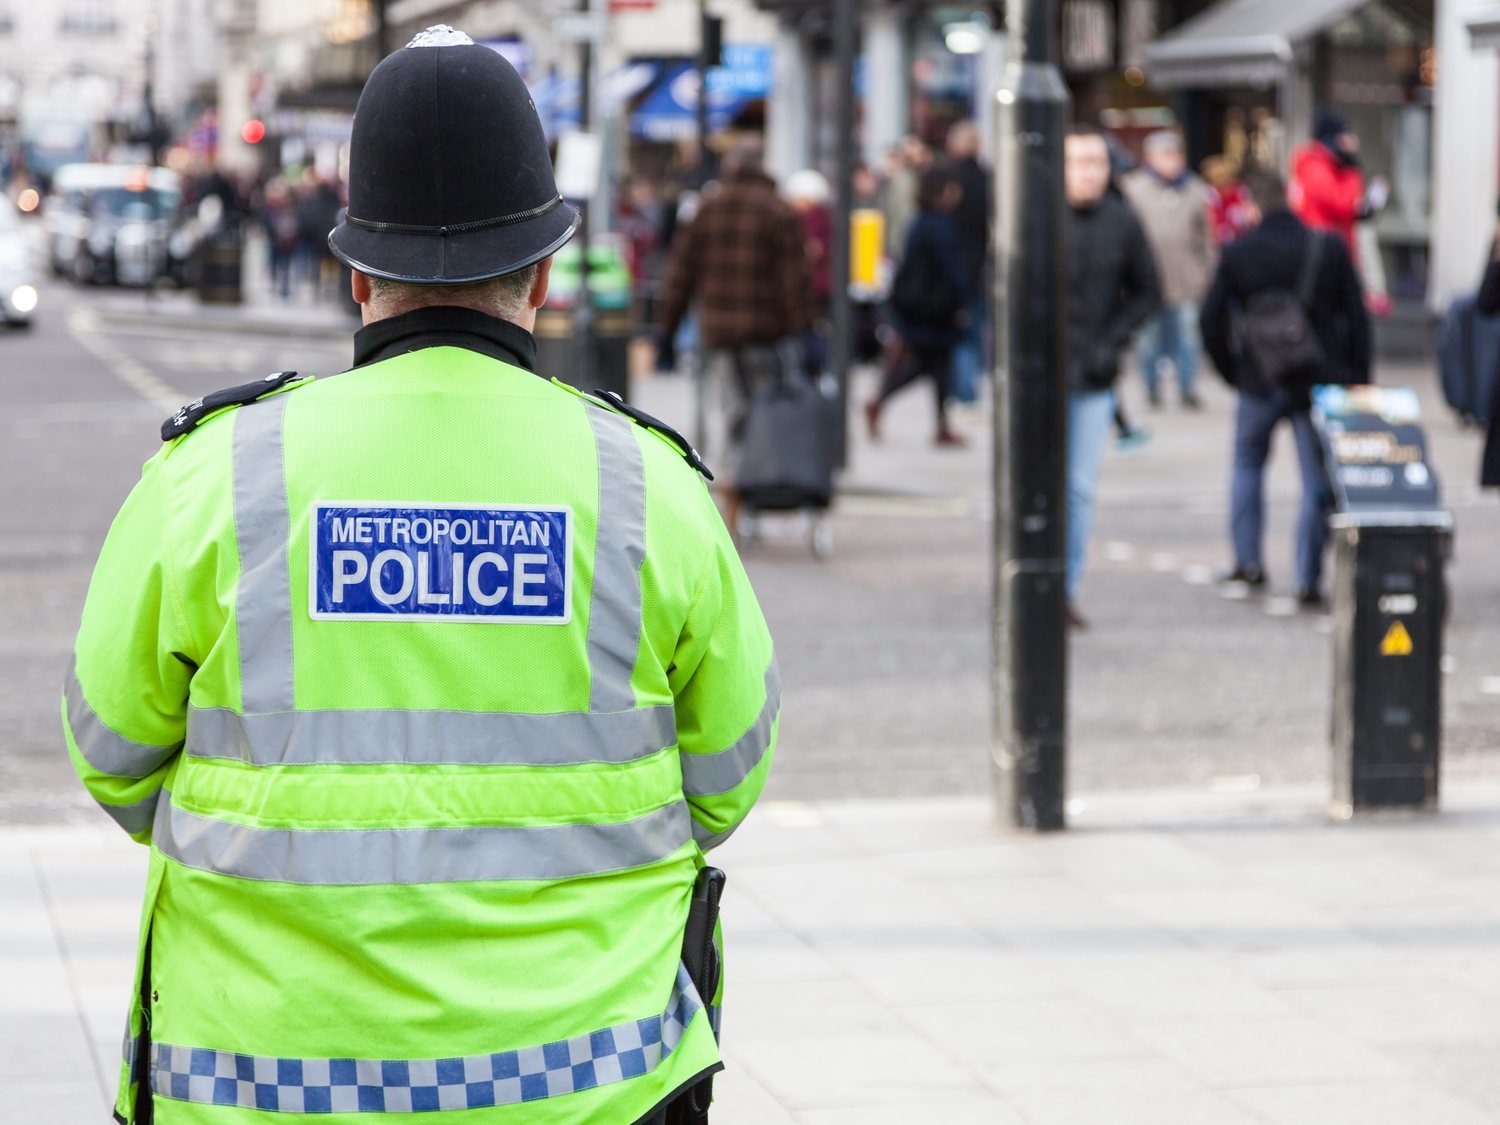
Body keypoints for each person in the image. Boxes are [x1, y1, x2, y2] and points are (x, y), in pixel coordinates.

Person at [63, 26, 777, 1125]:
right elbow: (726, 776)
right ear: (544, 271)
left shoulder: (220, 472)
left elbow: (111, 753)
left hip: (261, 1084)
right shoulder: (647, 483)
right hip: (588, 1086)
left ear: (357, 275)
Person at [1200, 170, 1372, 607]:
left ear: (1253, 206)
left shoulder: (1239, 252)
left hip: (1258, 379)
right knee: (1317, 479)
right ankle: (1307, 576)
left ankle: (1248, 564)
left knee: (1246, 467)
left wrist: (1232, 371)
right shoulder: (1328, 246)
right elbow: (1357, 316)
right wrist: (1358, 378)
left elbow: (1210, 319)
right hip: (1318, 379)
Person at [658, 139, 813, 530]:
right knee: (763, 414)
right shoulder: (778, 211)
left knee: (728, 413)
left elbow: (680, 274)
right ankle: (759, 493)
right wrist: (801, 330)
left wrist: (667, 327)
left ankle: (731, 497)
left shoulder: (708, 209)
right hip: (767, 335)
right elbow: (794, 281)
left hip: (719, 333)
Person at [1063, 125, 1162, 627]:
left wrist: (1114, 340)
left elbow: (1149, 291)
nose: (1088, 173)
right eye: (1078, 162)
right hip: (1039, 378)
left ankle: (1066, 588)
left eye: (1096, 163)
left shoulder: (1121, 222)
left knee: (1079, 488)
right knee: (1033, 485)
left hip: (1094, 376)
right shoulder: (1037, 217)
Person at [864, 167, 973, 447]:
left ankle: (938, 424)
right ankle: (887, 403)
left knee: (934, 368)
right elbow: (951, 270)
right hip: (935, 311)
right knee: (929, 366)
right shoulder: (940, 225)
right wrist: (963, 301)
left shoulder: (919, 222)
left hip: (920, 308)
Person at [1120, 130, 1215, 409]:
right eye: (1164, 155)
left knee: (1188, 337)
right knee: (1148, 339)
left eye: (1174, 154)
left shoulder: (1196, 190)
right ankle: (1150, 388)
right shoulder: (1133, 189)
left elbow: (1207, 236)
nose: (1170, 161)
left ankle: (1187, 388)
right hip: (1146, 280)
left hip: (1186, 278)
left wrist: (1206, 270)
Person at [944, 121, 991, 407]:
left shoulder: (952, 179)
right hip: (980, 262)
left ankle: (964, 390)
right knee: (974, 328)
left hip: (957, 263)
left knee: (960, 331)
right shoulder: (986, 177)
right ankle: (968, 385)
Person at [1289, 109, 1368, 260]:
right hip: (1323, 254)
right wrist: (1352, 172)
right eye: (1347, 135)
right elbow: (1343, 205)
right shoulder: (1316, 168)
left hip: (1326, 250)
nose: (1353, 141)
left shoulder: (1324, 166)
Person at [1202, 155, 1254, 247]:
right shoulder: (1210, 197)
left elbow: (1251, 220)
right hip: (1218, 247)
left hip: (1242, 244)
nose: (1225, 186)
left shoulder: (1242, 193)